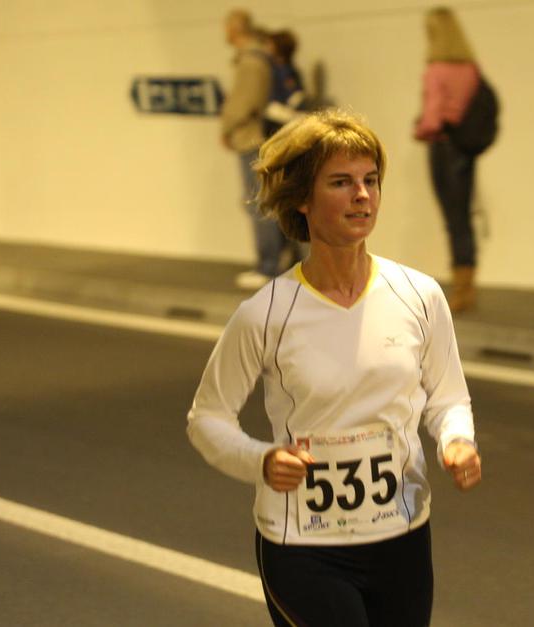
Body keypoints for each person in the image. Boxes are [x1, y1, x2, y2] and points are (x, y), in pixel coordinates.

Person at [187, 109, 482, 626]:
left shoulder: (419, 295)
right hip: (303, 545)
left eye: (371, 180)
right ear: (303, 198)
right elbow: (206, 419)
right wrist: (261, 461)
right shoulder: (266, 313)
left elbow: (447, 397)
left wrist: (456, 440)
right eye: (341, 182)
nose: (362, 195)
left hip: (402, 537)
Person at [413, 7, 483, 313]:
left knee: (451, 217)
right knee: (463, 216)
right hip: (465, 148)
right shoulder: (471, 69)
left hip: (443, 147)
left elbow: (432, 118)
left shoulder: (436, 70)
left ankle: (461, 289)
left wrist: (420, 129)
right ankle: (467, 285)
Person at [220, 10, 296, 290]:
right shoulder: (258, 58)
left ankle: (268, 266)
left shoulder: (251, 61)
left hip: (251, 139)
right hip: (258, 137)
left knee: (258, 202)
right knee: (264, 200)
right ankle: (277, 261)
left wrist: (227, 126)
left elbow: (244, 102)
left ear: (235, 29)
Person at [262, 29, 308, 137]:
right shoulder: (273, 68)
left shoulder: (286, 71)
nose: (266, 48)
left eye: (269, 44)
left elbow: (295, 96)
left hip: (279, 120)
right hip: (273, 117)